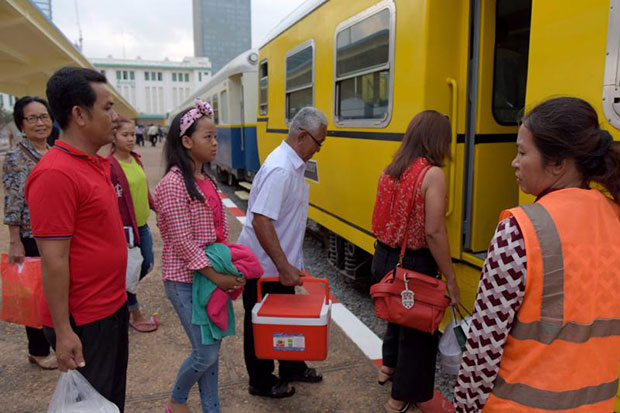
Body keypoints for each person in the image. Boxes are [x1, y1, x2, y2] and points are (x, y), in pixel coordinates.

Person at [454, 97, 620, 412]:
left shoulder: (520, 230)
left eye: (522, 152)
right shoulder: (615, 217)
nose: (514, 163)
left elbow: (482, 349)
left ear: (558, 163)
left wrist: (464, 408)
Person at [25, 67, 129, 411]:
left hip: (110, 307)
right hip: (85, 320)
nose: (115, 117)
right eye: (107, 108)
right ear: (79, 115)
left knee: (110, 403)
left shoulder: (92, 163)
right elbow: (54, 259)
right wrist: (63, 329)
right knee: (93, 405)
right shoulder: (56, 174)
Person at [156, 98, 245, 413]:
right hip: (184, 280)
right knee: (205, 352)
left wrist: (228, 266)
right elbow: (182, 241)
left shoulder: (206, 179)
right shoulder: (173, 184)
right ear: (186, 141)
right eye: (207, 136)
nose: (215, 143)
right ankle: (176, 402)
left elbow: (218, 231)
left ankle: (212, 408)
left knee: (212, 349)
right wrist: (219, 277)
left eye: (214, 135)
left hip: (208, 277)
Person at [370, 110, 460, 413]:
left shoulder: (391, 168)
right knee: (419, 336)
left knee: (397, 317)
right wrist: (450, 277)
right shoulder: (432, 174)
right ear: (438, 140)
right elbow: (434, 232)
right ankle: (399, 399)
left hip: (384, 258)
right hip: (413, 263)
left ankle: (388, 368)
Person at [238, 107, 328, 399]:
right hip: (263, 265)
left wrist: (289, 263)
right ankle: (261, 381)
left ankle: (291, 366)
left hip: (279, 262)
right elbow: (261, 220)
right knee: (260, 325)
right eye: (318, 143)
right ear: (302, 135)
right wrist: (283, 265)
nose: (318, 150)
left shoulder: (293, 165)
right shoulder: (281, 169)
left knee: (287, 319)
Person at [2, 96, 56, 370]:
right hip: (32, 236)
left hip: (58, 235)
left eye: (44, 116)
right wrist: (15, 242)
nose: (40, 123)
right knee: (35, 294)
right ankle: (37, 350)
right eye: (32, 118)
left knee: (56, 291)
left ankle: (56, 341)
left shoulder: (55, 151)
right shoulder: (16, 157)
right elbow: (12, 202)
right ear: (22, 124)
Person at [108, 116, 158, 333]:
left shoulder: (135, 159)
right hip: (124, 230)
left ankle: (118, 299)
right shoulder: (109, 166)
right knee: (130, 270)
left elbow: (142, 189)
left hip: (142, 225)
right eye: (124, 135)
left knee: (146, 264)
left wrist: (156, 206)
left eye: (132, 134)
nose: (130, 139)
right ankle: (133, 311)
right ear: (113, 136)